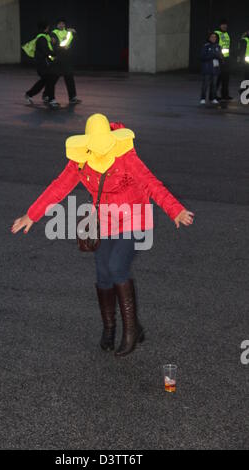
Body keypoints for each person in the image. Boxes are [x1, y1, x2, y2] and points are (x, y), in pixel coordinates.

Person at [11, 114, 194, 357]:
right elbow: (59, 187)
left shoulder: (125, 154)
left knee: (117, 266)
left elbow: (150, 183)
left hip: (134, 217)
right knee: (103, 273)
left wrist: (175, 210)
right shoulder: (80, 160)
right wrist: (31, 216)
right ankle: (110, 328)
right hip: (105, 220)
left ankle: (129, 333)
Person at [24, 22, 60, 109]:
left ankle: (29, 94)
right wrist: (56, 53)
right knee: (50, 79)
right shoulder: (42, 38)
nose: (49, 29)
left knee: (44, 81)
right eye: (48, 27)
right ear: (46, 28)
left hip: (43, 64)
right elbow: (46, 51)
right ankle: (51, 99)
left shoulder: (43, 37)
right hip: (43, 64)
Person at [51, 18, 81, 105]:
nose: (61, 25)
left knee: (69, 78)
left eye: (63, 24)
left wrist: (74, 32)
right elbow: (54, 46)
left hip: (67, 59)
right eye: (60, 24)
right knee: (53, 79)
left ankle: (72, 98)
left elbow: (75, 40)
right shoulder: (53, 33)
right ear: (56, 25)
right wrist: (61, 48)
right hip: (58, 59)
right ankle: (47, 95)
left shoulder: (68, 32)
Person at [200, 32, 223, 105]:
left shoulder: (218, 46)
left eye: (215, 37)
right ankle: (203, 98)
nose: (213, 38)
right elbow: (202, 57)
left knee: (214, 85)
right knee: (205, 84)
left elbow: (221, 56)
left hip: (215, 69)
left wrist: (219, 56)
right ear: (209, 38)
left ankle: (213, 98)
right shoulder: (206, 46)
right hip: (207, 69)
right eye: (212, 37)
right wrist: (212, 55)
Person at [215, 20, 232, 100]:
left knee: (226, 78)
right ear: (220, 26)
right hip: (219, 59)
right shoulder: (217, 33)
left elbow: (228, 46)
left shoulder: (227, 34)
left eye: (225, 25)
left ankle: (225, 95)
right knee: (218, 78)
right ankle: (214, 96)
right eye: (223, 25)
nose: (224, 26)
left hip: (226, 59)